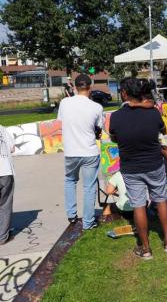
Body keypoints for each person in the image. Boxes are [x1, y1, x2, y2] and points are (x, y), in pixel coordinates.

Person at [110, 78, 167, 259]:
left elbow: (114, 137)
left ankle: (146, 248)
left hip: (131, 167)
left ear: (125, 94)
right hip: (154, 164)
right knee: (161, 199)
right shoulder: (153, 113)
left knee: (139, 206)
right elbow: (162, 134)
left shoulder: (116, 116)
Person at [57, 74, 103, 230]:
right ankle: (88, 222)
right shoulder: (97, 107)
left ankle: (71, 215)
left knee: (70, 181)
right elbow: (99, 129)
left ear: (75, 87)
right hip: (89, 151)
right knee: (89, 187)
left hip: (71, 151)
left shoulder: (64, 103)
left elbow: (61, 121)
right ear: (90, 88)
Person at [0, 125, 15, 245]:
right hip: (5, 170)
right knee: (5, 203)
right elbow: (12, 148)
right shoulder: (2, 129)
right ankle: (2, 236)